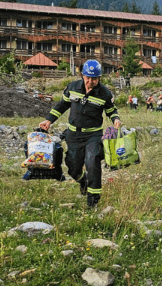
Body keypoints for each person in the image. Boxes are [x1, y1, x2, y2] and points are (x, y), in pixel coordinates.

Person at [39, 59, 122, 208]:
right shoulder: (72, 88)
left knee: (92, 162)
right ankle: (83, 182)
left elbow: (111, 110)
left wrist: (116, 119)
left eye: (94, 78)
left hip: (93, 136)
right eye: (88, 78)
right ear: (83, 76)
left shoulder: (105, 94)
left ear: (99, 78)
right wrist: (49, 120)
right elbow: (62, 105)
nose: (90, 81)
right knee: (73, 167)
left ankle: (93, 201)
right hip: (73, 135)